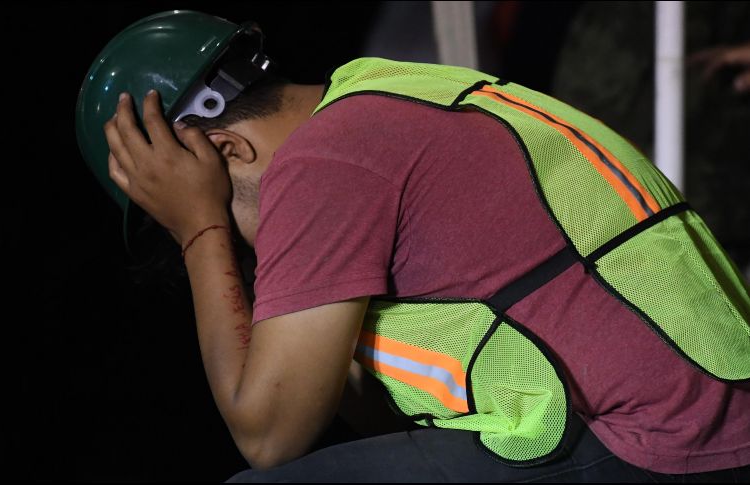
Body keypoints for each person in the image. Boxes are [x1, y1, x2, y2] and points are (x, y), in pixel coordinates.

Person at [76, 10, 750, 482]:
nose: (257, 255)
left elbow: (269, 436)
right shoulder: (382, 95)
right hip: (694, 420)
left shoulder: (324, 163)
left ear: (225, 148)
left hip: (657, 439)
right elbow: (374, 421)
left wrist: (201, 229)